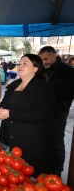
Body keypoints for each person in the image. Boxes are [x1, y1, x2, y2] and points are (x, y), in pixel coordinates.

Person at [0, 54, 56, 178]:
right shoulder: (14, 85)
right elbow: (5, 102)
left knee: (30, 176)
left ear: (36, 68)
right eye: (19, 63)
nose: (20, 66)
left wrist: (10, 113)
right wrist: (0, 109)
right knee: (13, 176)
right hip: (11, 137)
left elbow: (40, 113)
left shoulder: (43, 87)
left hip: (32, 141)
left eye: (25, 63)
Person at [38, 46, 74, 176]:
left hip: (58, 113)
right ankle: (44, 165)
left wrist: (49, 97)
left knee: (57, 141)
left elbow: (69, 93)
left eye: (46, 59)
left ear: (54, 55)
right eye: (41, 60)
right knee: (42, 139)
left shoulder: (68, 71)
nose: (44, 62)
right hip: (42, 113)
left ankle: (58, 169)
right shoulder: (42, 70)